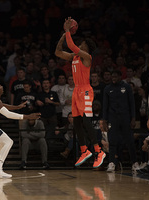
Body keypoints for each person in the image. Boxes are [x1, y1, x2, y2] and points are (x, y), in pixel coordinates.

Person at [55, 17, 105, 168]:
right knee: (76, 122)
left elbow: (71, 45)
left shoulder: (86, 57)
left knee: (86, 121)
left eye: (82, 44)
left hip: (85, 90)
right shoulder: (74, 56)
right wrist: (64, 36)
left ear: (86, 47)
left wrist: (67, 31)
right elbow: (57, 52)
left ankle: (99, 151)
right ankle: (84, 151)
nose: (79, 44)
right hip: (77, 90)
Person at [0, 80, 41, 179]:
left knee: (0, 146)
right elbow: (7, 114)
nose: (2, 86)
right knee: (8, 142)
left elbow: (3, 106)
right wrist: (28, 116)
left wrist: (17, 107)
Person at [103, 70, 139, 172]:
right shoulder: (107, 88)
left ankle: (134, 163)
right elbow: (105, 105)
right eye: (112, 77)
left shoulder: (126, 87)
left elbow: (132, 103)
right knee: (112, 141)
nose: (113, 79)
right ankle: (111, 163)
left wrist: (133, 118)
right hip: (112, 118)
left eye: (115, 77)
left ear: (120, 76)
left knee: (130, 140)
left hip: (125, 117)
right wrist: (104, 120)